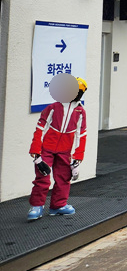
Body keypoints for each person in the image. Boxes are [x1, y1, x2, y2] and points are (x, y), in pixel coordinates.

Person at [28, 76, 88, 221]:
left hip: (65, 151)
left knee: (63, 178)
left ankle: (58, 205)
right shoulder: (53, 108)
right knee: (42, 177)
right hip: (46, 148)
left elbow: (82, 134)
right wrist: (36, 154)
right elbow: (40, 128)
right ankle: (37, 205)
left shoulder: (80, 112)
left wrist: (77, 159)